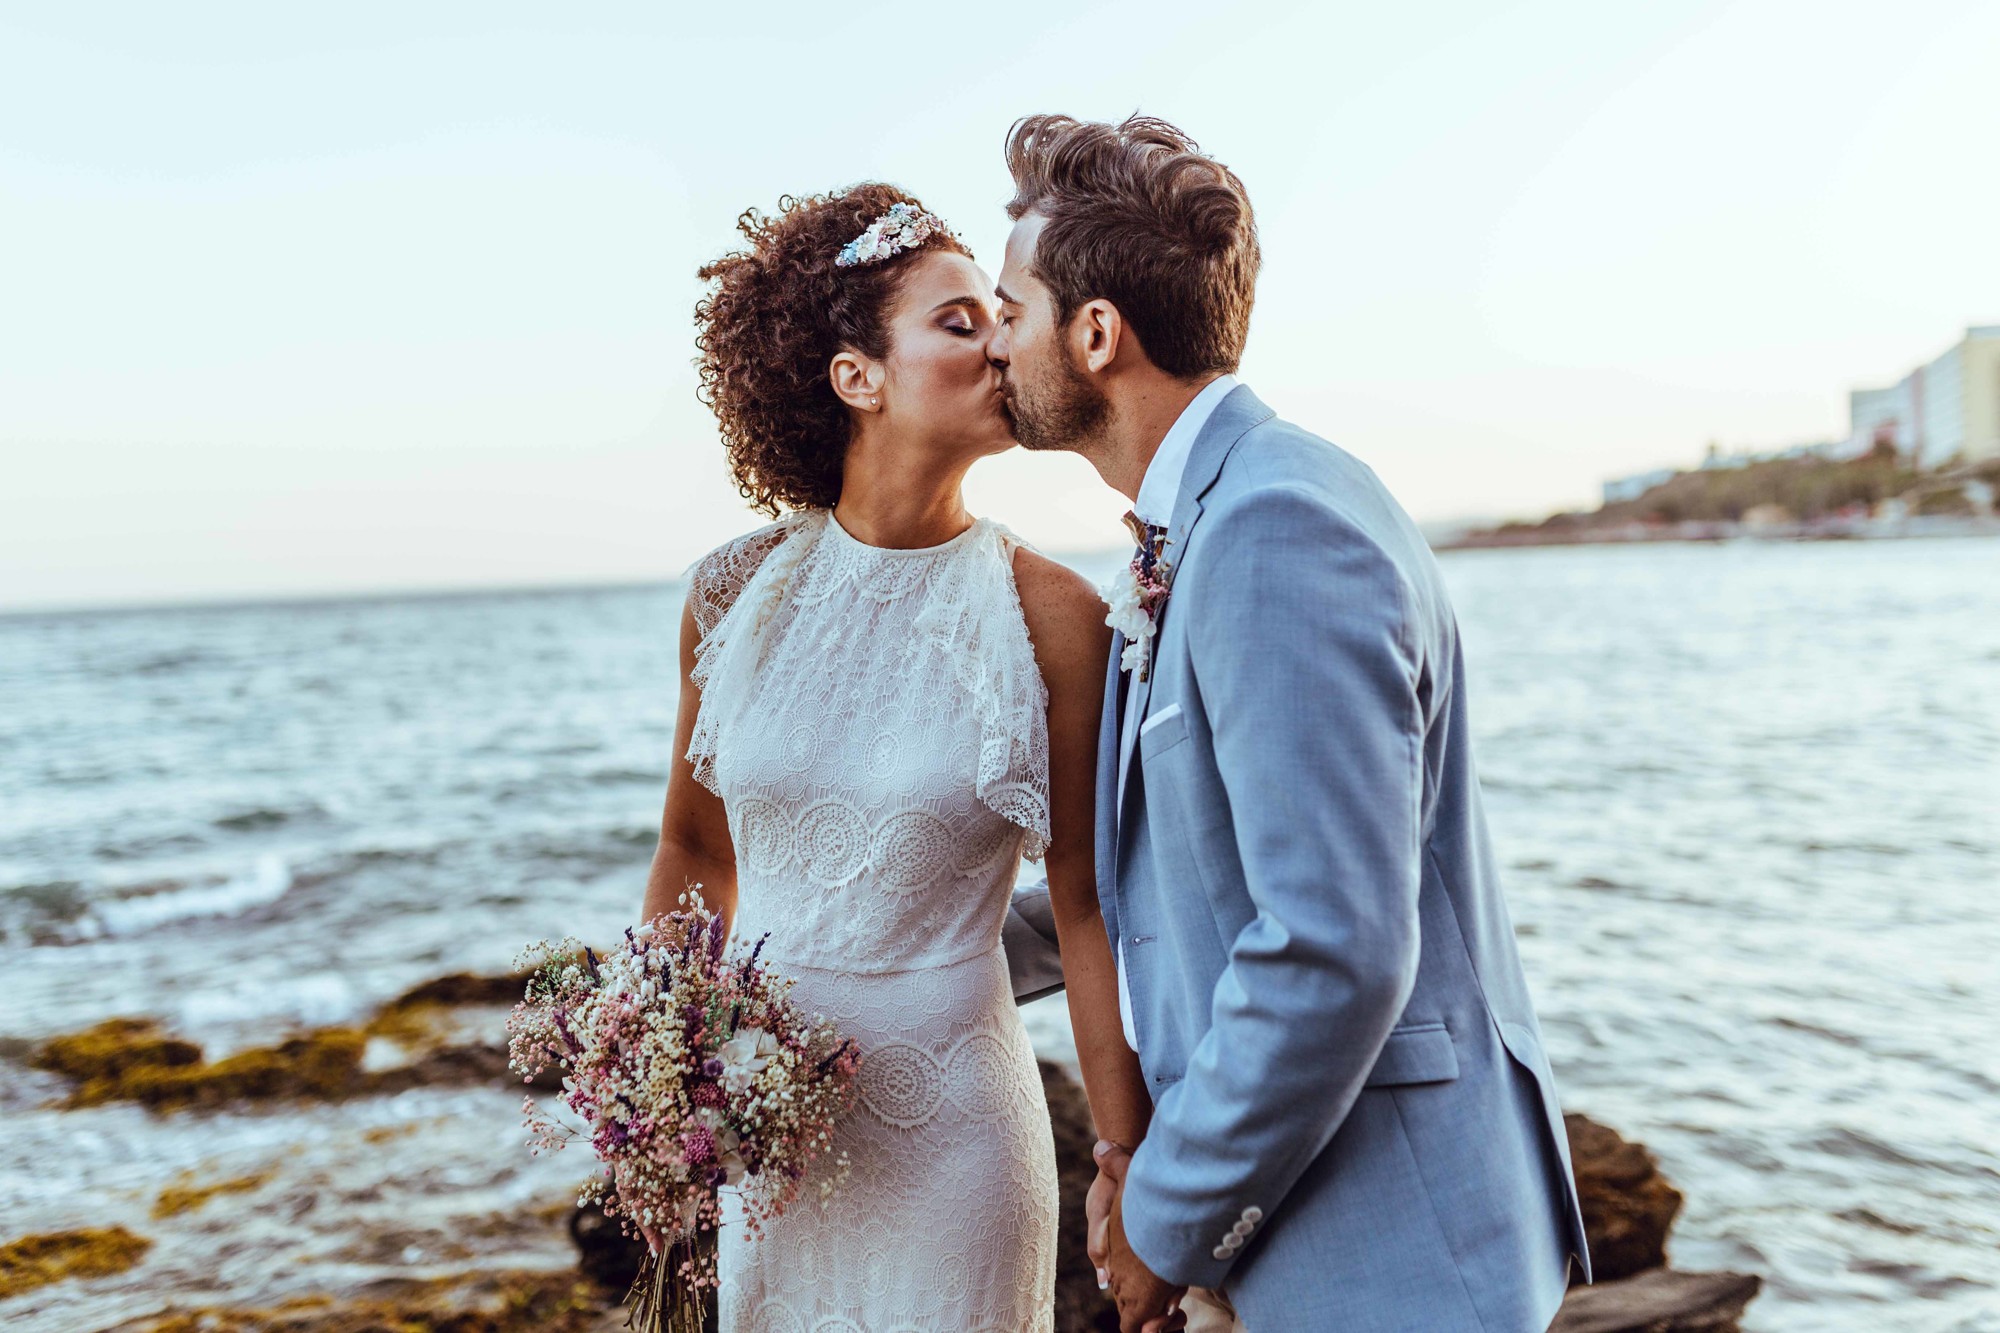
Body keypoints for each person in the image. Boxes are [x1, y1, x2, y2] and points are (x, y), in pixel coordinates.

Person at [991, 114, 1592, 1333]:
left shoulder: (1275, 527)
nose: (994, 342)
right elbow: (1158, 881)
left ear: (1095, 333)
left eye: (1010, 307)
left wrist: (1160, 1219)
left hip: (1392, 1257)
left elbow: (1330, 947)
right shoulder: (1214, 523)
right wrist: (874, 966)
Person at [639, 183, 1151, 1331]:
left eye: (999, 317)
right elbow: (690, 845)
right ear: (855, 377)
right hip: (770, 1156)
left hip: (958, 1151)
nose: (1001, 342)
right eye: (957, 322)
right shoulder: (729, 594)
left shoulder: (1058, 619)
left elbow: (1085, 907)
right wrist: (671, 1076)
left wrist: (1125, 1160)